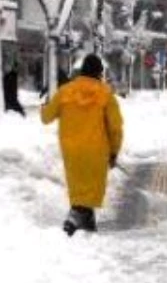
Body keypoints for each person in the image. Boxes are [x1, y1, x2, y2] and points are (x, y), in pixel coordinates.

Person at [40, 54, 124, 236]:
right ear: (99, 73)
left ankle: (87, 226)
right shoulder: (106, 94)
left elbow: (46, 118)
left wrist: (44, 106)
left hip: (70, 149)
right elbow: (115, 128)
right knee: (89, 192)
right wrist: (114, 151)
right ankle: (75, 218)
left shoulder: (65, 91)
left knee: (79, 188)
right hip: (96, 150)